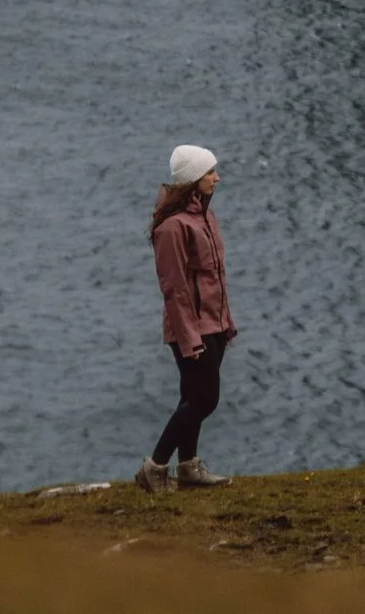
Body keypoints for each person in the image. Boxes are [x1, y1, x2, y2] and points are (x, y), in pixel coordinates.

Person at [137, 143, 236, 491]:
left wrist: (226, 324)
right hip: (191, 329)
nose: (217, 178)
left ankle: (188, 467)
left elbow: (213, 278)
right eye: (210, 172)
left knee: (192, 397)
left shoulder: (204, 217)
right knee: (204, 399)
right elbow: (175, 289)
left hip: (213, 324)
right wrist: (190, 338)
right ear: (194, 179)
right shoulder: (173, 228)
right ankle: (155, 466)